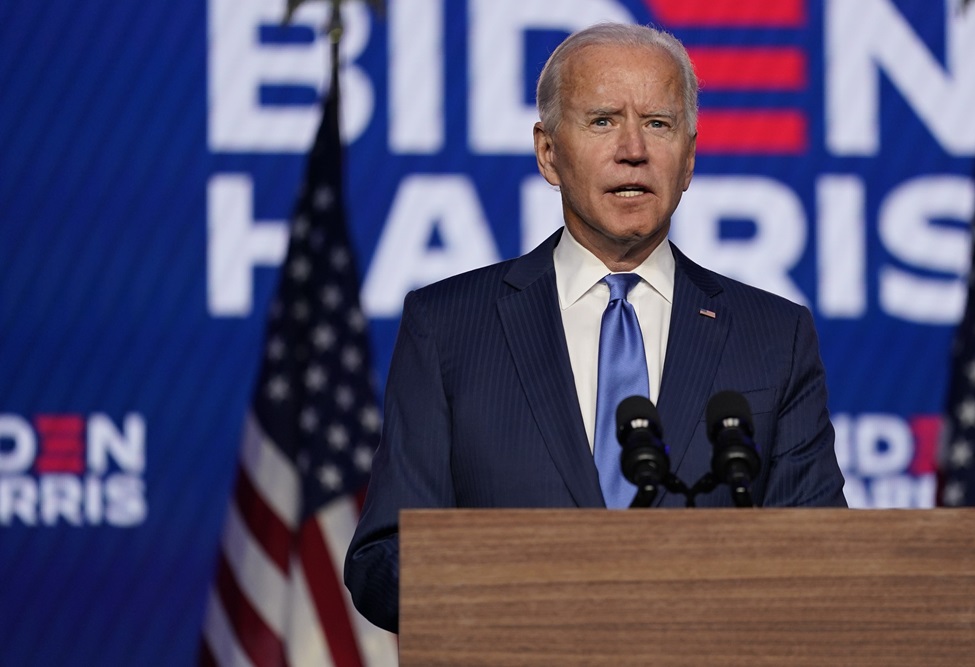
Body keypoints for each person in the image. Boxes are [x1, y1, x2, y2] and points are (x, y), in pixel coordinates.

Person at [344, 22, 846, 632]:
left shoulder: (773, 335)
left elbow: (821, 565)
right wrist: (552, 591)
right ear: (548, 153)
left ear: (689, 156)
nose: (633, 149)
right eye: (603, 121)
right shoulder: (448, 326)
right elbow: (384, 562)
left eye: (658, 124)